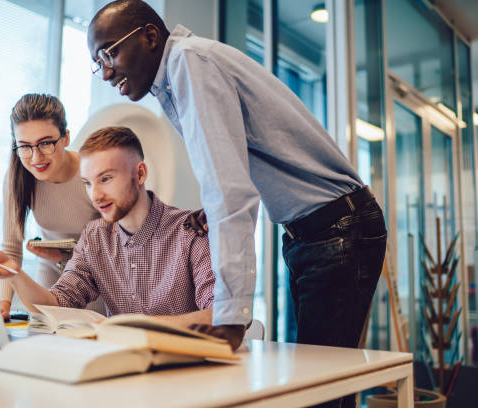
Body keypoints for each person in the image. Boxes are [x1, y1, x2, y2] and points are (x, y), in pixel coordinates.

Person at [87, 0, 386, 395]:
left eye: (109, 52)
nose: (106, 72)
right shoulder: (178, 76)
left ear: (150, 36)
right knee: (317, 386)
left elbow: (229, 190)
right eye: (98, 61)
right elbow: (235, 178)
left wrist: (230, 315)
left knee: (319, 391)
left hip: (336, 229)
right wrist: (211, 213)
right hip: (310, 233)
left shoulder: (190, 64)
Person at [0, 126, 215, 326]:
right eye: (87, 183)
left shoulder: (191, 232)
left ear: (140, 173)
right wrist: (14, 274)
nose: (95, 195)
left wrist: (136, 323)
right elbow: (56, 303)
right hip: (117, 368)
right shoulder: (95, 237)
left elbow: (219, 316)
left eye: (106, 179)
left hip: (185, 371)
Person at [0, 93, 100, 320]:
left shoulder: (91, 172)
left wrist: (63, 256)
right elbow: (12, 248)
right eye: (24, 146)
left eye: (45, 143)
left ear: (65, 138)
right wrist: (3, 304)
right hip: (50, 274)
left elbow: (117, 249)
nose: (35, 158)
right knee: (46, 334)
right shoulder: (16, 177)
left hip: (95, 278)